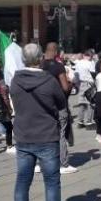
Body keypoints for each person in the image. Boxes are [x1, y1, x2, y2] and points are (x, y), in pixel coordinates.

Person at [11, 43, 74, 201]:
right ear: (40, 59)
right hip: (46, 136)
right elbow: (62, 102)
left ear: (23, 59)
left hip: (23, 136)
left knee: (22, 183)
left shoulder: (16, 80)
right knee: (52, 184)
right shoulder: (48, 80)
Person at [42, 42, 77, 174]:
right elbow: (65, 88)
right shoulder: (58, 66)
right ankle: (63, 164)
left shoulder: (40, 65)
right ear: (56, 51)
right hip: (58, 104)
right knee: (61, 134)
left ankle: (42, 162)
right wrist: (71, 84)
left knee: (44, 133)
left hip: (43, 104)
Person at [74, 50, 95, 127]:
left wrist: (76, 84)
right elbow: (93, 74)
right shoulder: (90, 63)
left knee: (81, 103)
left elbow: (76, 74)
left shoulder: (78, 63)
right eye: (91, 56)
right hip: (89, 83)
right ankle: (89, 121)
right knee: (90, 102)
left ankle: (80, 121)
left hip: (81, 83)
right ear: (89, 56)